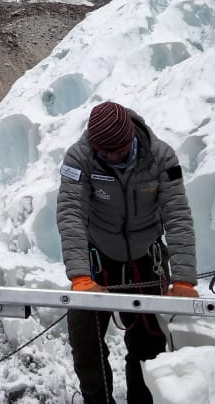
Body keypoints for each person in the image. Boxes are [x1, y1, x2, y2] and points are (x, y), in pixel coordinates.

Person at [56, 101, 198, 404]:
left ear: (130, 139)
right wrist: (80, 276)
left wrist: (184, 280)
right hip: (97, 261)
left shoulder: (161, 158)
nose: (107, 156)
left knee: (149, 345)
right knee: (86, 344)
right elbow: (71, 214)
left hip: (146, 259)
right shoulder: (80, 158)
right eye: (102, 151)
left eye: (114, 151)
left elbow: (177, 215)